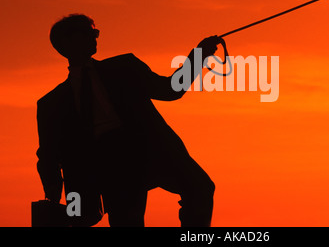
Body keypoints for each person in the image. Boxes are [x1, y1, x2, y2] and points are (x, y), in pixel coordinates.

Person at [36, 13, 222, 227]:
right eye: (89, 32)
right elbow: (48, 155)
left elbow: (170, 89)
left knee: (200, 189)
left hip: (150, 150)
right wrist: (52, 194)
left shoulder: (126, 66)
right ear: (66, 43)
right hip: (110, 166)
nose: (95, 37)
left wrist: (198, 57)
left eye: (95, 32)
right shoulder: (51, 103)